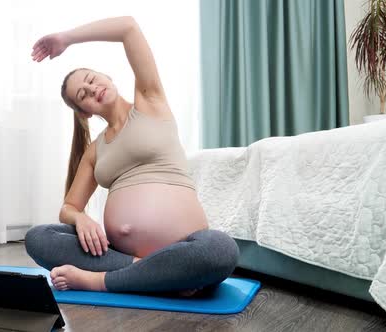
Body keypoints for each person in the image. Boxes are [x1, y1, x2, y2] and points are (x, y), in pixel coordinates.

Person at [25, 16, 239, 297]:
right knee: (39, 238)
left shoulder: (150, 102)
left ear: (107, 77)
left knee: (221, 251)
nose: (92, 89)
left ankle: (98, 281)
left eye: (91, 79)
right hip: (120, 254)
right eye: (83, 94)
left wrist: (67, 38)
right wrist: (81, 219)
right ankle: (157, 276)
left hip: (188, 246)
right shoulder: (95, 150)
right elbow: (69, 207)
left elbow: (128, 27)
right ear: (85, 112)